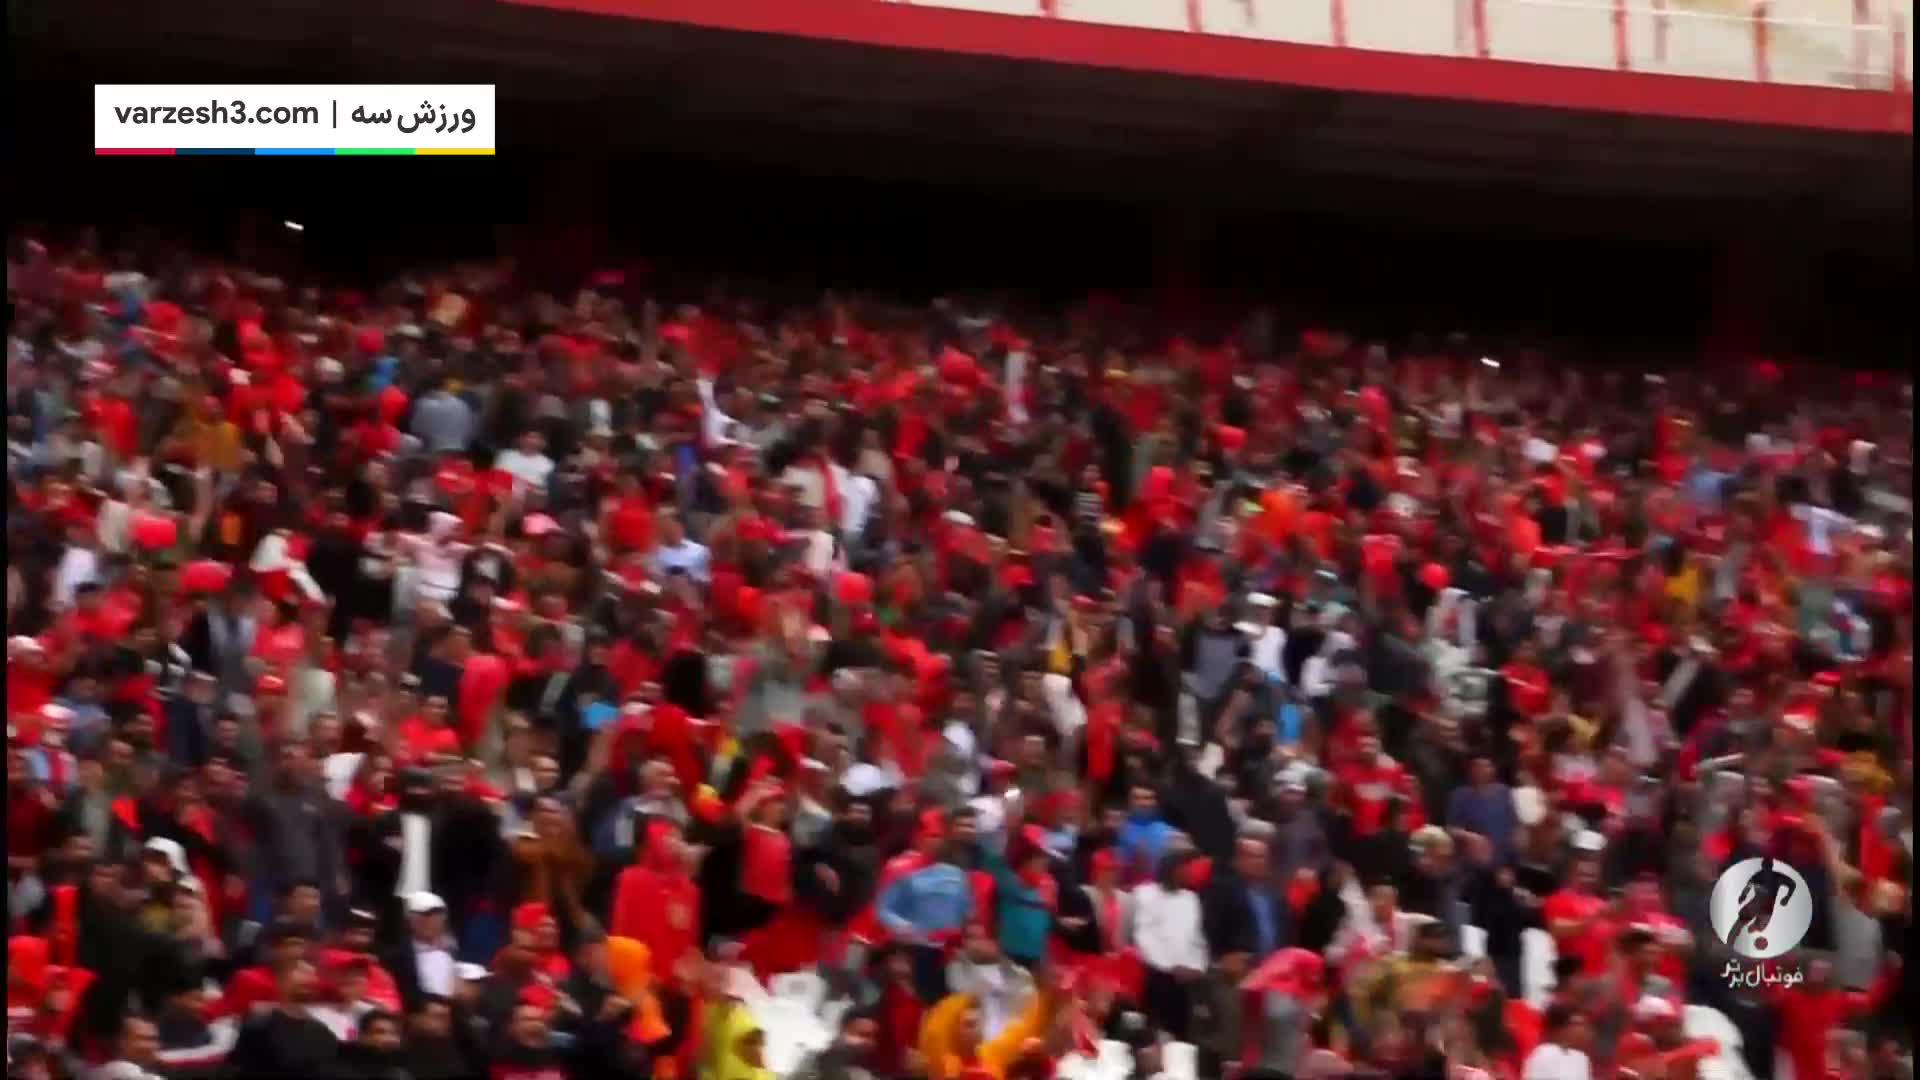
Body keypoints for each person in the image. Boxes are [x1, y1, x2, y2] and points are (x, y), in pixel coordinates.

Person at [219, 960, 343, 1079]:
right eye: (300, 970)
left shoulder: (322, 1033)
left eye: (311, 973)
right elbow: (237, 1068)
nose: (308, 977)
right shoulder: (259, 1023)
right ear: (280, 980)